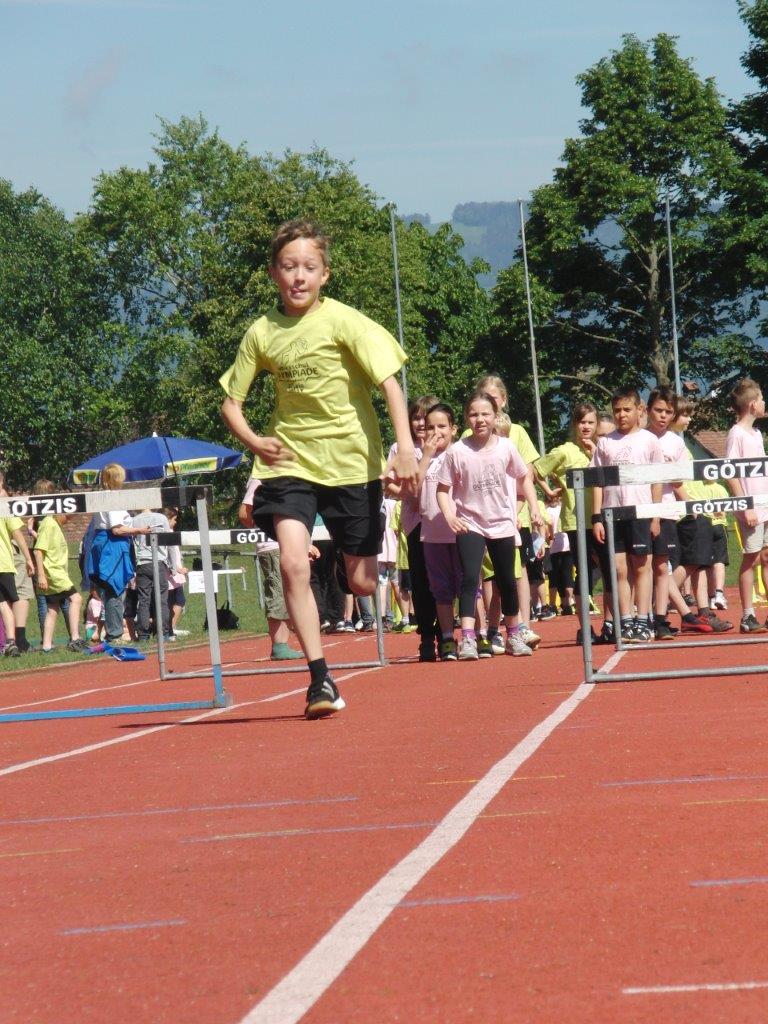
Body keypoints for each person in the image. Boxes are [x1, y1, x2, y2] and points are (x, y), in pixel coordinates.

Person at [220, 218, 418, 718]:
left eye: (309, 267)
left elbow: (390, 384)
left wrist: (405, 449)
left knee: (363, 582)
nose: (299, 276)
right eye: (289, 267)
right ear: (273, 273)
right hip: (290, 462)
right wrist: (255, 442)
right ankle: (319, 679)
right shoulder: (262, 332)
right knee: (291, 562)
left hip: (352, 463)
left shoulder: (346, 321)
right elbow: (231, 403)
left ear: (325, 274)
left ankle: (342, 561)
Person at [437, 391, 543, 660]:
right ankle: (468, 638)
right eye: (474, 414)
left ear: (496, 417)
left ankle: (513, 635)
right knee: (470, 578)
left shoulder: (506, 447)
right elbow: (442, 489)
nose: (480, 419)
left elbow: (524, 478)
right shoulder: (457, 451)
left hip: (502, 522)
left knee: (507, 579)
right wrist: (450, 516)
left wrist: (533, 507)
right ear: (466, 418)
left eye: (485, 414)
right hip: (470, 523)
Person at [472, 375, 541, 650]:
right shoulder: (470, 435)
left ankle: (522, 624)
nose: (490, 404)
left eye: (494, 399)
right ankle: (492, 629)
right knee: (489, 576)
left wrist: (523, 509)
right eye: (484, 399)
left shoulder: (518, 433)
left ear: (503, 400)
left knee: (517, 572)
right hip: (482, 518)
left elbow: (527, 476)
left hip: (515, 515)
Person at [591, 387, 663, 644]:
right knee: (619, 569)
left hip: (640, 512)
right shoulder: (605, 442)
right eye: (617, 410)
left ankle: (643, 619)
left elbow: (657, 480)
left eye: (626, 410)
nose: (621, 415)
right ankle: (626, 620)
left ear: (639, 410)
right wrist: (597, 517)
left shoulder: (649, 440)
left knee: (642, 566)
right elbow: (597, 482)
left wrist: (655, 516)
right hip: (613, 514)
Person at [534, 403, 606, 644]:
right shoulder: (565, 451)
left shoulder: (602, 448)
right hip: (577, 521)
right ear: (575, 424)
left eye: (590, 422)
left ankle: (610, 623)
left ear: (597, 425)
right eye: (582, 422)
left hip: (603, 517)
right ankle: (585, 628)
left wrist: (595, 453)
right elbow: (535, 470)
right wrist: (549, 490)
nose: (586, 427)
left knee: (609, 571)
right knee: (583, 572)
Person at [386, 395, 440, 660]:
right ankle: (426, 636)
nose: (420, 424)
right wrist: (404, 493)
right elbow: (388, 481)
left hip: (441, 521)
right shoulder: (400, 449)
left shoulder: (446, 447)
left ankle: (446, 632)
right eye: (416, 418)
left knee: (442, 579)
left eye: (425, 418)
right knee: (420, 580)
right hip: (415, 522)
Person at [88, 462, 150, 646]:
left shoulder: (101, 497)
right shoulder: (112, 499)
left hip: (104, 543)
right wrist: (139, 530)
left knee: (110, 591)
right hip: (112, 546)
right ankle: (114, 634)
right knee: (114, 590)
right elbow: (117, 529)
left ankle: (112, 632)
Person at [239, 480, 302, 660]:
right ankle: (279, 644)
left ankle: (284, 642)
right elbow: (244, 513)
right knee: (277, 593)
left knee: (290, 592)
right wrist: (265, 530)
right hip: (271, 547)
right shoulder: (259, 479)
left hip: (288, 545)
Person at [724, 378, 768, 633]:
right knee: (751, 559)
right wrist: (746, 505)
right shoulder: (736, 433)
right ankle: (748, 616)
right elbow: (730, 472)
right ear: (752, 405)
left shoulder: (757, 434)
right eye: (761, 399)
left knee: (766, 557)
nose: (764, 403)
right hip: (751, 507)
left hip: (765, 503)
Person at [33, 494, 87, 654]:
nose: (69, 519)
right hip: (53, 573)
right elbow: (38, 551)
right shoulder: (49, 523)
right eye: (68, 516)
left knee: (52, 608)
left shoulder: (54, 524)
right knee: (76, 599)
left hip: (57, 573)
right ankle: (75, 638)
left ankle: (46, 646)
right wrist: (41, 575)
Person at [0, 476, 35, 657]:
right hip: (6, 562)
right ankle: (12, 641)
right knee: (6, 602)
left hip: (5, 562)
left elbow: (16, 532)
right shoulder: (4, 502)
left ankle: (12, 641)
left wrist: (27, 558)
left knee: (5, 602)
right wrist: (28, 558)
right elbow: (17, 533)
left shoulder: (4, 503)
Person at [131, 507, 174, 643]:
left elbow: (133, 543)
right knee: (162, 599)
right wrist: (173, 565)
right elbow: (169, 542)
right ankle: (163, 633)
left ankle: (143, 635)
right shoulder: (161, 518)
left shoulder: (134, 520)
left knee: (143, 600)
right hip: (159, 562)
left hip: (142, 563)